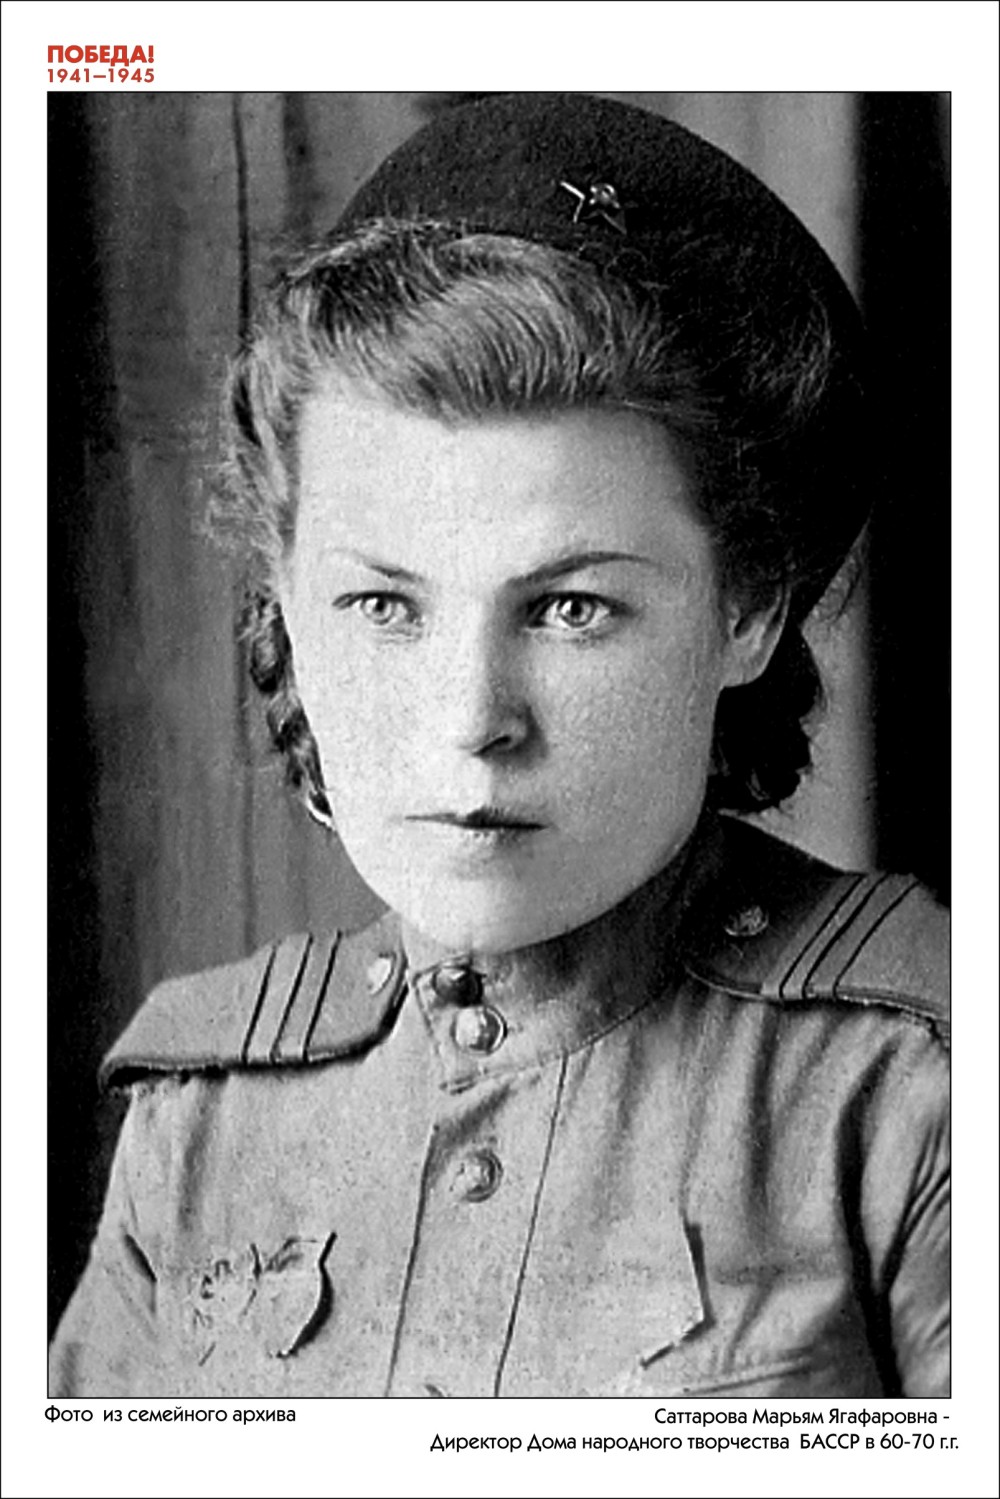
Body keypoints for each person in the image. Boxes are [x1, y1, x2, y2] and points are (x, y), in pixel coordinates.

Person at [50, 93, 948, 1399]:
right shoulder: (203, 1119)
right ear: (287, 610)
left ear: (748, 610)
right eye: (382, 605)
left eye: (571, 607)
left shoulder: (909, 1086)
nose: (473, 718)